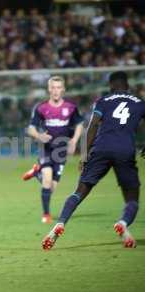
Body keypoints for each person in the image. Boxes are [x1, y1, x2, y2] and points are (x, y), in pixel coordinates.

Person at [42, 71, 144, 250]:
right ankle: (123, 223)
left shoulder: (103, 101)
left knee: (79, 191)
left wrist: (84, 155)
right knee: (132, 198)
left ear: (111, 86)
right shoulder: (140, 103)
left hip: (101, 148)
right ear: (127, 85)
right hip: (125, 150)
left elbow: (93, 126)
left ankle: (61, 223)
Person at [22, 76, 84, 223]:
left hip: (61, 151)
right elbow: (30, 128)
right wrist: (39, 136)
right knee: (47, 180)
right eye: (53, 87)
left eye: (58, 88)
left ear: (63, 90)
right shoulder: (41, 108)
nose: (56, 91)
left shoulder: (71, 108)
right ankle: (46, 215)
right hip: (47, 149)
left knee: (51, 188)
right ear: (49, 89)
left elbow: (80, 124)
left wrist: (74, 140)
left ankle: (36, 172)